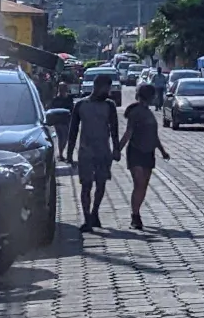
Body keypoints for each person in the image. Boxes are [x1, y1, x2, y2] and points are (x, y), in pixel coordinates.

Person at [67, 74, 120, 232]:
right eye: (106, 88)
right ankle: (86, 217)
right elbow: (73, 130)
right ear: (97, 87)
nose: (108, 91)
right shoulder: (80, 105)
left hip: (103, 151)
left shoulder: (109, 105)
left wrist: (116, 148)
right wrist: (69, 153)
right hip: (86, 151)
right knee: (86, 185)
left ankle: (95, 211)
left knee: (101, 183)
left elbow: (114, 129)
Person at [120, 84, 170, 230]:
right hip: (136, 151)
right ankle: (135, 216)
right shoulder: (136, 112)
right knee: (139, 184)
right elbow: (128, 133)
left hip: (149, 153)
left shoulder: (149, 112)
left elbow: (154, 136)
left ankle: (137, 213)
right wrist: (117, 150)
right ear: (150, 96)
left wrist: (162, 151)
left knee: (143, 187)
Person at [49, 81, 75, 163]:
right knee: (61, 138)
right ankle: (60, 154)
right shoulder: (55, 99)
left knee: (65, 138)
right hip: (58, 121)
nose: (63, 89)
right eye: (61, 88)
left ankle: (60, 153)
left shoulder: (69, 98)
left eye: (64, 87)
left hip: (67, 120)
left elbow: (72, 108)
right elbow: (52, 109)